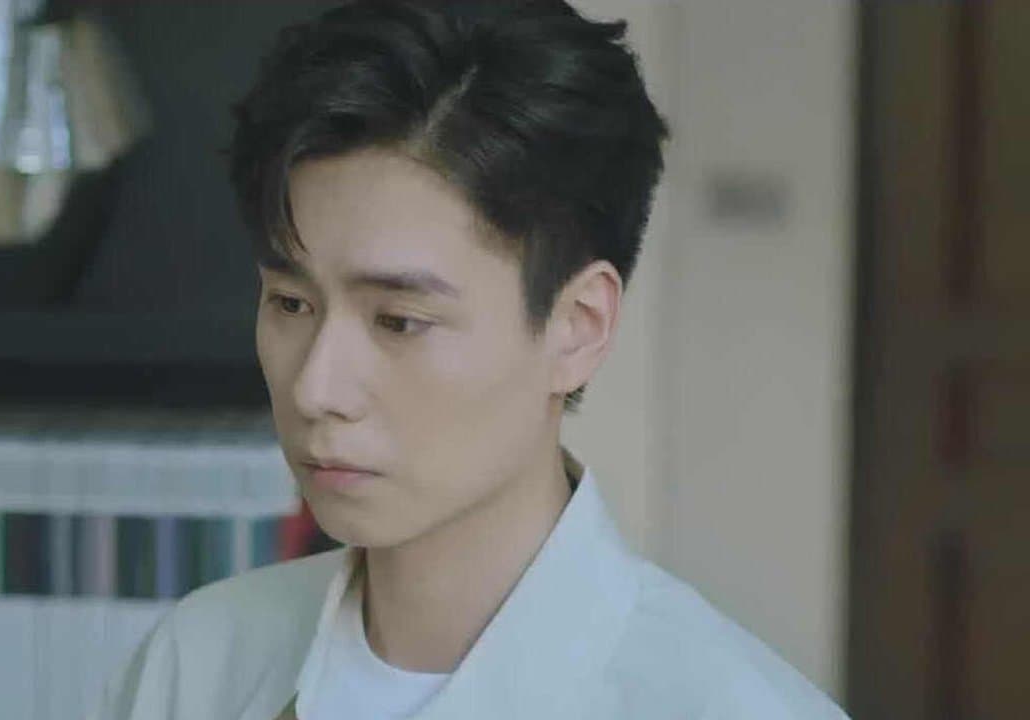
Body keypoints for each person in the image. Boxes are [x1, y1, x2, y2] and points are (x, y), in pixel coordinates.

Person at [92, 1, 852, 718]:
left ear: (576, 328)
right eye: (291, 304)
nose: (317, 388)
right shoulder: (198, 664)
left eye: (399, 320)